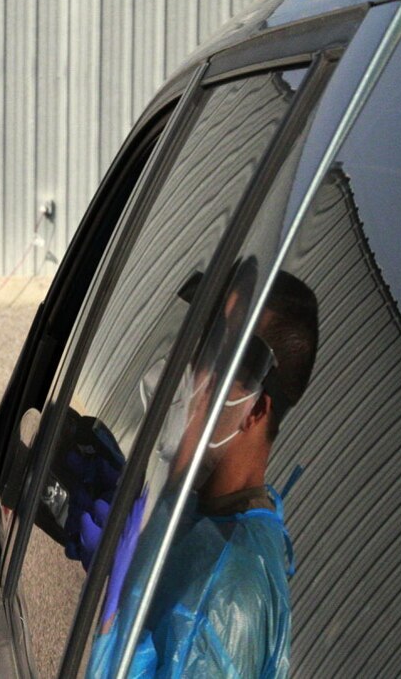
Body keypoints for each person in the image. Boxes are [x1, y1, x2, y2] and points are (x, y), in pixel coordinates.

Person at [84, 270, 319, 678]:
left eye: (213, 363)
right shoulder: (200, 511)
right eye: (196, 351)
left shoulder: (228, 597)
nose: (184, 378)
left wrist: (113, 615)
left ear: (256, 410)